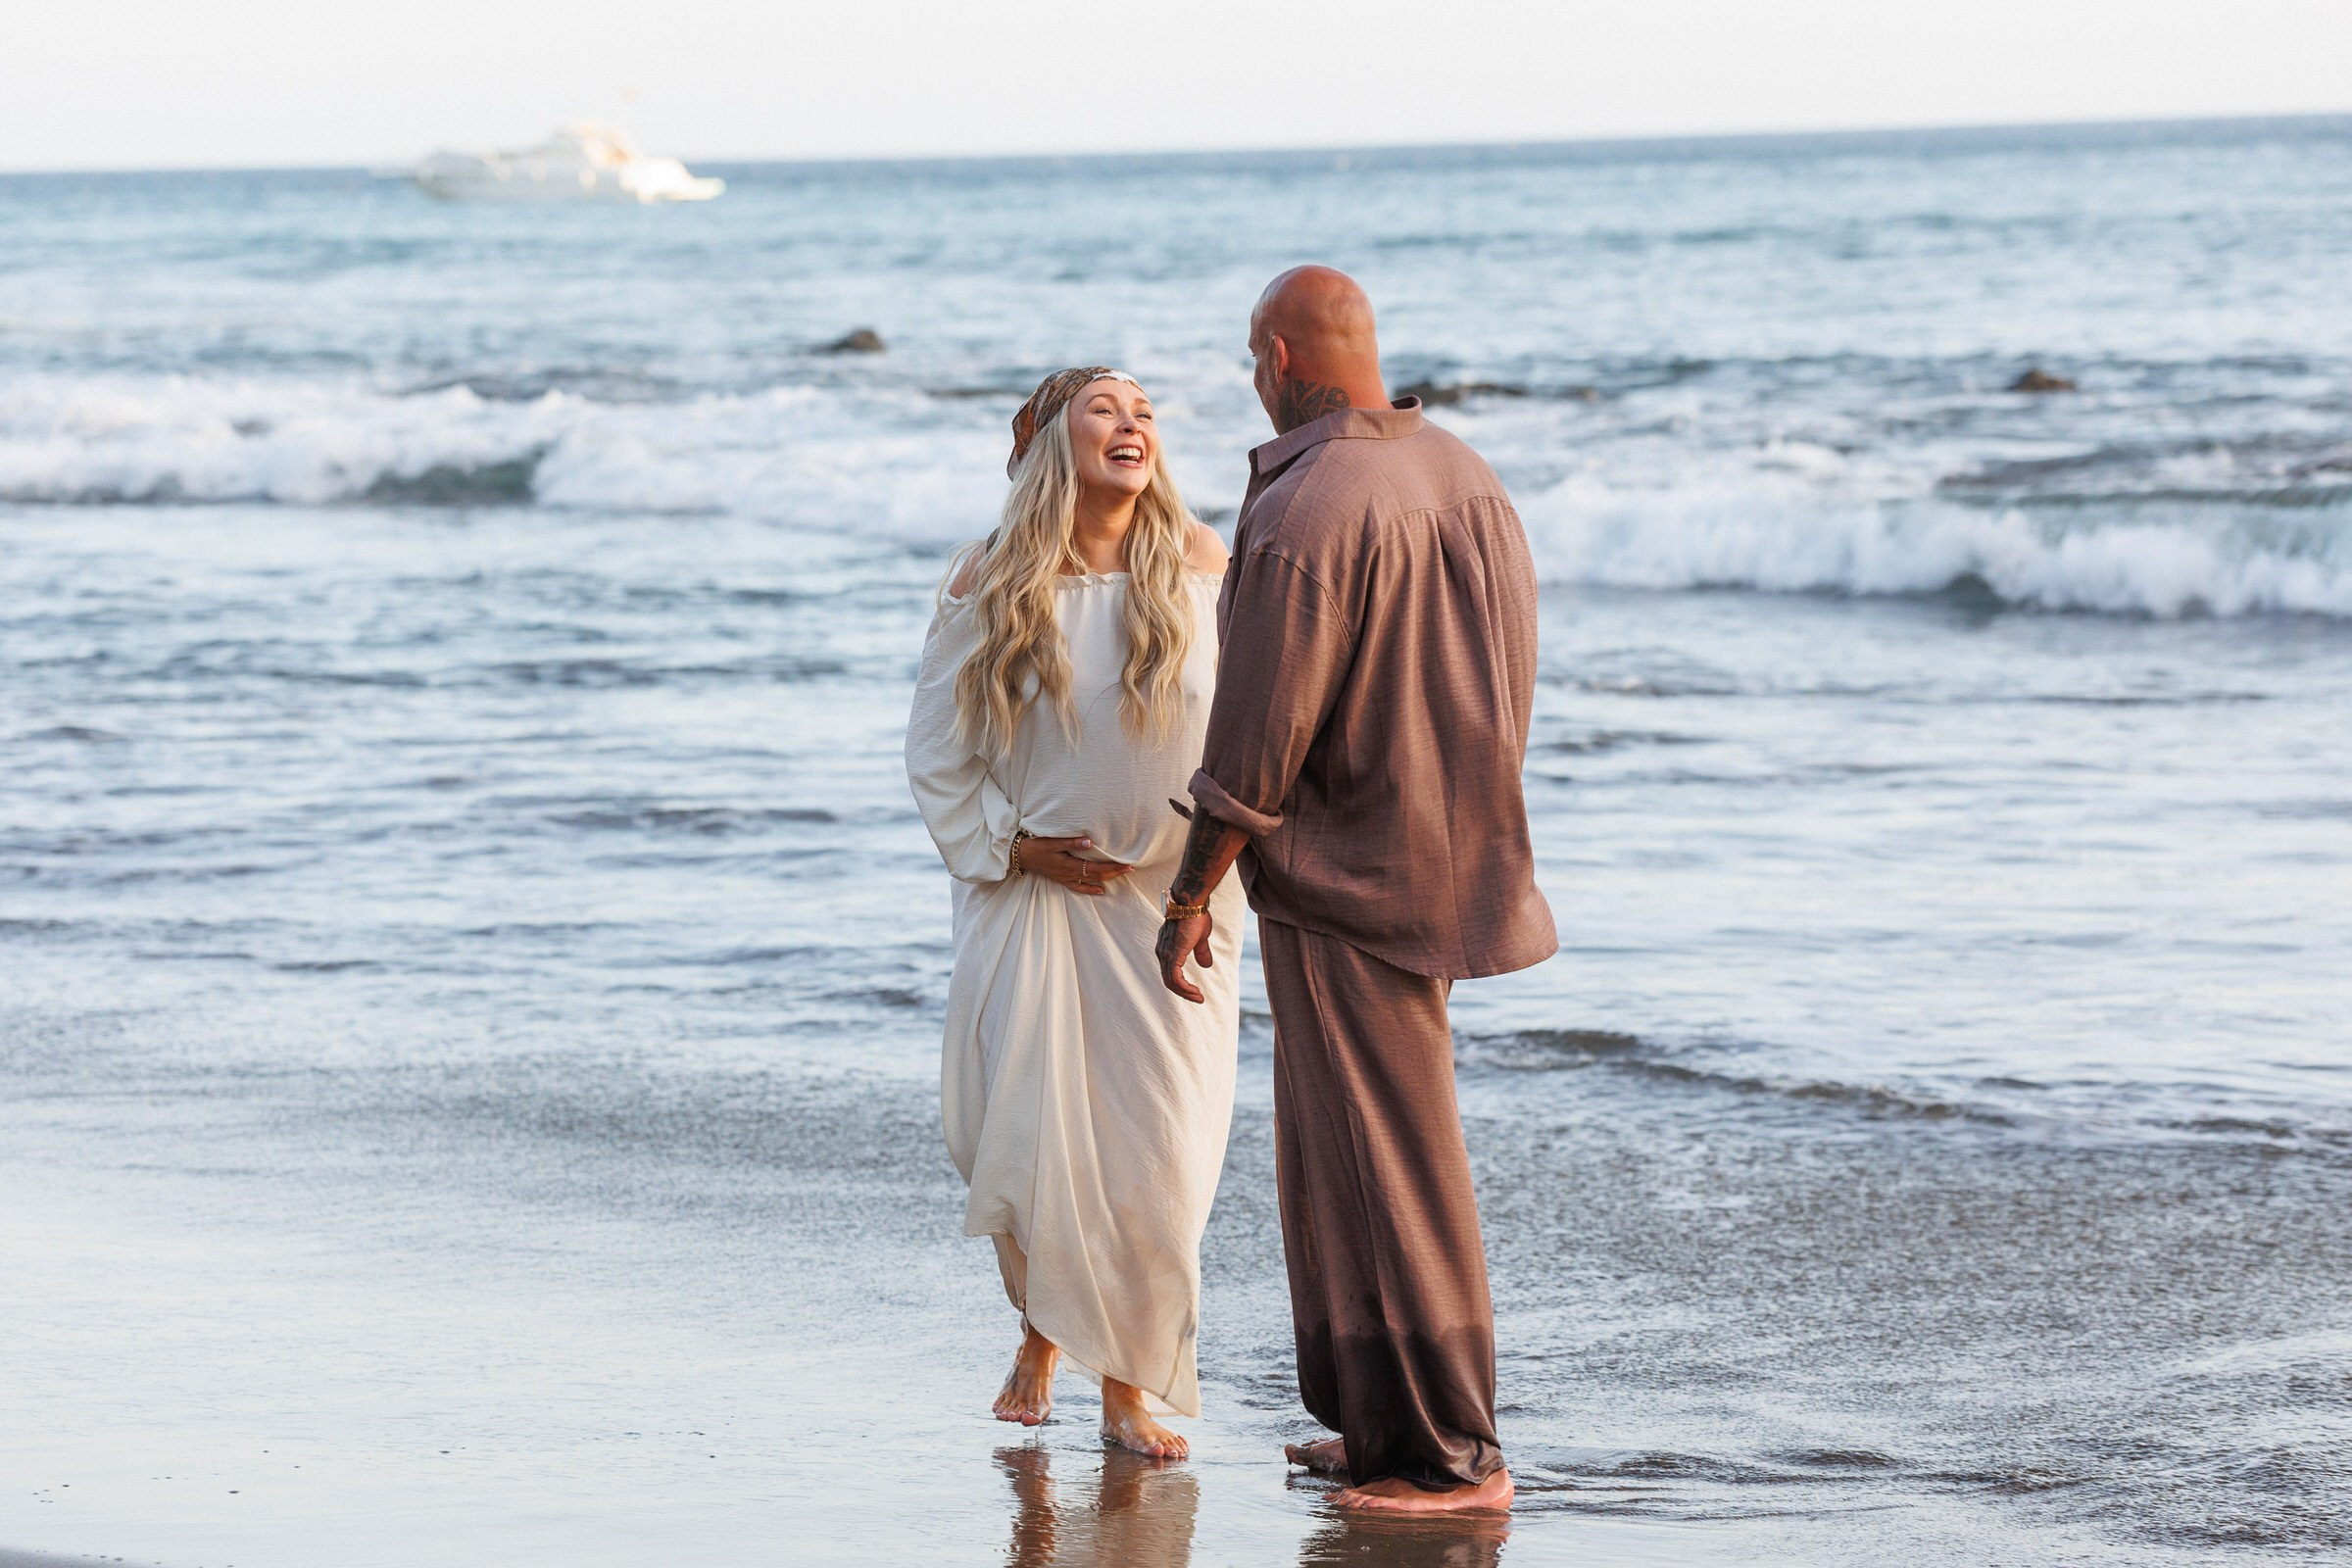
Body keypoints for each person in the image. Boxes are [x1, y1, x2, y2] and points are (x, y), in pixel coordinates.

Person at [1154, 269, 1557, 1512]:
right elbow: (1509, 675)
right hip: (1449, 852)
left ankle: (1447, 1459)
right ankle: (1383, 1428)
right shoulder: (1463, 470)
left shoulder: (1310, 501)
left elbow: (1255, 738)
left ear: (1277, 355)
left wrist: (1186, 899)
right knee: (1343, 1158)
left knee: (1389, 1163)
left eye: (1250, 360)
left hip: (1351, 871)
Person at [906, 367, 1241, 1459]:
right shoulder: (992, 579)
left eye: (1144, 411)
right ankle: (1043, 1337)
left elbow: (1253, 724)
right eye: (1106, 408)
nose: (1133, 423)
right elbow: (939, 755)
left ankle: (1130, 1382)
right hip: (1039, 904)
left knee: (1164, 1149)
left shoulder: (1197, 561)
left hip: (1175, 906)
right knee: (1037, 1141)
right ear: (1054, 442)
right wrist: (1014, 849)